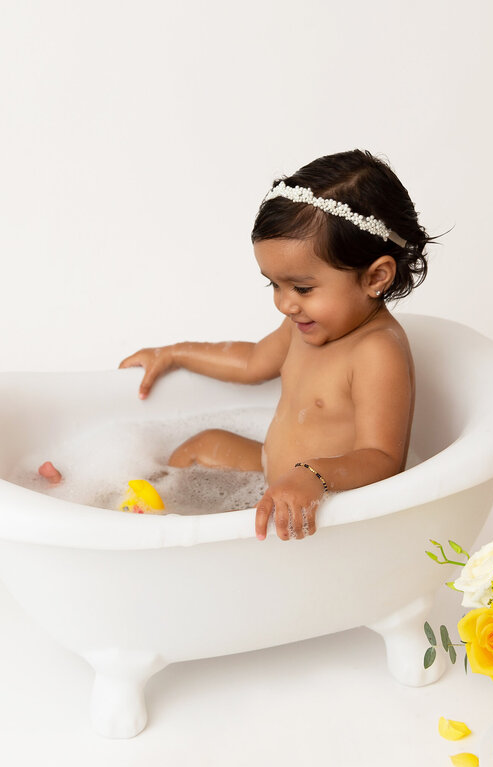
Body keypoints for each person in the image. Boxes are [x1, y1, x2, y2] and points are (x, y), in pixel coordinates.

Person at [119, 149, 434, 541]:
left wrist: (313, 477)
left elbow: (383, 460)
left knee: (258, 502)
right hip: (274, 473)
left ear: (376, 277)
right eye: (275, 284)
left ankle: (173, 529)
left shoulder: (376, 352)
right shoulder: (304, 325)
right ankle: (140, 507)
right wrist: (174, 353)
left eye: (302, 287)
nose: (285, 303)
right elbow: (251, 361)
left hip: (323, 502)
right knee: (203, 444)